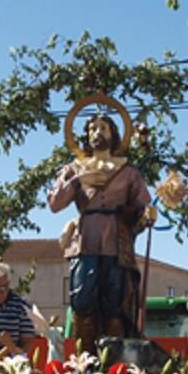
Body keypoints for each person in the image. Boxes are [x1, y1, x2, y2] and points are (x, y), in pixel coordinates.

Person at [47, 111, 153, 353]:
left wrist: (145, 216)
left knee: (115, 304)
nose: (97, 133)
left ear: (114, 134)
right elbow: (55, 204)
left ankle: (114, 363)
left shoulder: (128, 171)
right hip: (86, 242)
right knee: (82, 302)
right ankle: (85, 363)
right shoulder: (74, 168)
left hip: (117, 243)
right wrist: (78, 179)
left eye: (103, 128)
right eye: (93, 129)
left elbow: (142, 208)